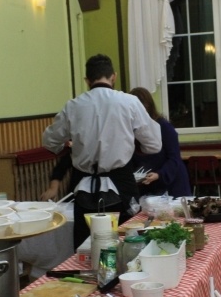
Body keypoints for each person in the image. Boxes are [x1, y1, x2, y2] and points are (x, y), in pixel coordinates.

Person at [42, 54, 162, 250]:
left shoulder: (73, 106)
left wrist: (68, 145)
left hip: (83, 185)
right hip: (121, 182)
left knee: (85, 248)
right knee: (127, 244)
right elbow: (154, 145)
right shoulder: (129, 102)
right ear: (113, 77)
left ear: (87, 80)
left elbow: (49, 142)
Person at [129, 87, 191, 198]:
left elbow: (174, 158)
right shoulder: (130, 129)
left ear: (148, 107)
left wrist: (159, 174)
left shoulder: (163, 126)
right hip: (148, 185)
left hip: (172, 183)